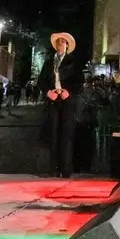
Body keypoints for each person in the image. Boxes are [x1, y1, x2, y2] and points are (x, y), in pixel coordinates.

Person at [38, 32, 81, 178]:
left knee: (66, 135)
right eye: (59, 42)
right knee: (53, 134)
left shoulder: (73, 62)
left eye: (63, 42)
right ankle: (53, 168)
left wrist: (69, 92)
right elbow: (41, 81)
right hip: (53, 101)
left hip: (68, 102)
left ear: (67, 45)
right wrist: (48, 92)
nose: (61, 44)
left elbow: (79, 81)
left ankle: (66, 169)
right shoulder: (49, 61)